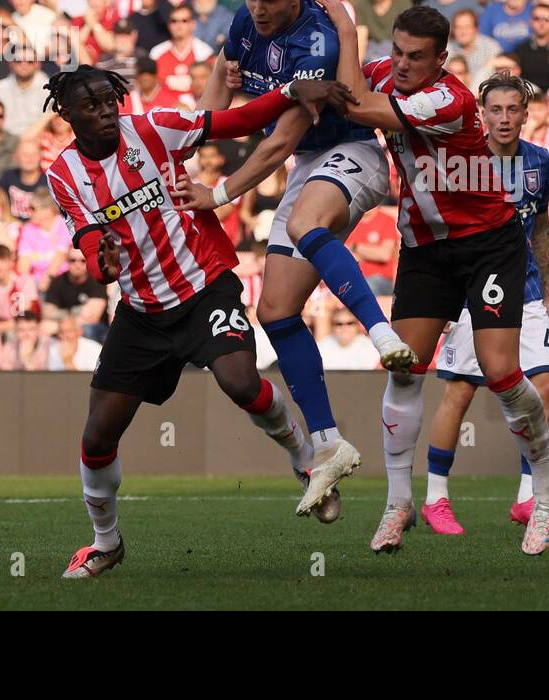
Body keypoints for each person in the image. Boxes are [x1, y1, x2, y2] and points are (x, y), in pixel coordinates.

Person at [43, 64, 352, 578]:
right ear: (68, 114)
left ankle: (307, 461)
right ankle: (106, 542)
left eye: (108, 99)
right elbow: (91, 244)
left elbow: (237, 120)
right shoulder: (63, 174)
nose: (104, 110)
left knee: (238, 381)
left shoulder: (152, 128)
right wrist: (105, 265)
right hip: (141, 313)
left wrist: (292, 90)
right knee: (97, 437)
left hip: (206, 284)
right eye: (90, 104)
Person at [171, 0, 417, 527]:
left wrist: (222, 193)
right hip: (308, 167)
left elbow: (280, 141)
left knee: (306, 224)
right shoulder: (241, 22)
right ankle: (329, 445)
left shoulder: (318, 40)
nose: (258, 9)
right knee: (275, 310)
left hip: (350, 154)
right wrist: (217, 78)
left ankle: (380, 332)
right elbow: (211, 117)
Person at [320, 0, 549, 555]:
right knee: (405, 369)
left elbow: (357, 105)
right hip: (425, 248)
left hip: (487, 245)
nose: (402, 65)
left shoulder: (448, 98)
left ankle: (546, 491)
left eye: (416, 57)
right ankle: (398, 503)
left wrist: (342, 24)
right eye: (398, 52)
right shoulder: (388, 72)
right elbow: (351, 81)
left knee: (502, 373)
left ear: (442, 58)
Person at [424, 74, 549, 533]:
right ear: (481, 113)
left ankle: (528, 496)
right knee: (461, 391)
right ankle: (436, 496)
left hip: (524, 290)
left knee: (544, 386)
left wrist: (548, 292)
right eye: (495, 110)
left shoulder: (540, 161)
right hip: (473, 290)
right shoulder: (463, 160)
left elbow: (539, 227)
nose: (504, 119)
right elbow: (442, 230)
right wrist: (444, 298)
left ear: (526, 114)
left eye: (513, 110)